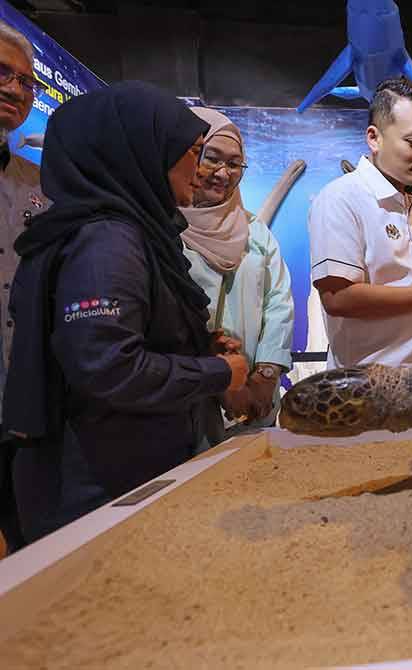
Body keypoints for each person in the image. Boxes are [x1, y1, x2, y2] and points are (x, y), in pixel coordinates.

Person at [2, 81, 249, 543]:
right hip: (95, 491)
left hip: (118, 475)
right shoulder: (108, 243)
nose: (199, 170)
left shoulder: (128, 234)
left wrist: (198, 345)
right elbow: (108, 367)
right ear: (141, 151)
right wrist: (217, 373)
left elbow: (115, 339)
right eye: (192, 152)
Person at [308, 76, 412, 368]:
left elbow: (408, 284)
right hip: (366, 382)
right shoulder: (340, 197)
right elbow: (338, 298)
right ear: (374, 138)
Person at [180, 107, 293, 441]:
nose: (223, 173)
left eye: (234, 164)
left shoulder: (255, 232)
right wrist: (222, 378)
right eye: (212, 158)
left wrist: (266, 375)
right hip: (191, 398)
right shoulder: (165, 229)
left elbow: (278, 303)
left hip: (255, 401)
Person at [0, 20, 49, 553]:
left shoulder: (37, 185)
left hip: (20, 409)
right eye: (2, 73)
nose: (15, 89)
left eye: (26, 81)